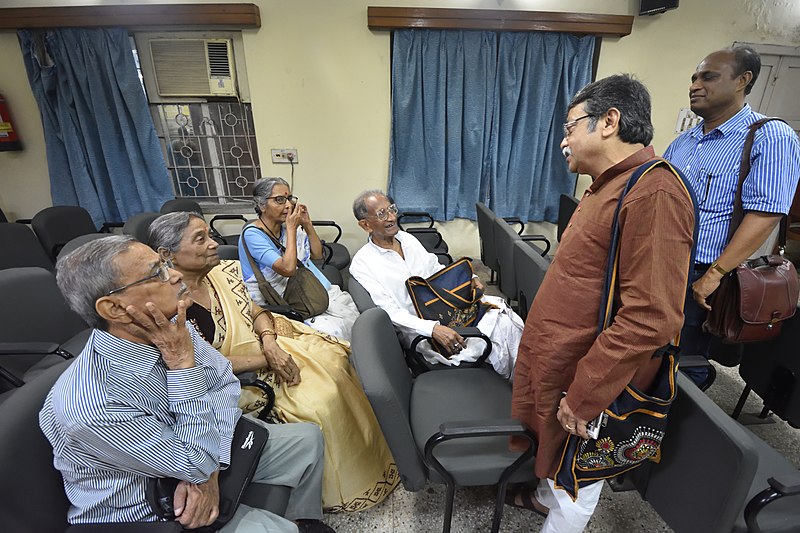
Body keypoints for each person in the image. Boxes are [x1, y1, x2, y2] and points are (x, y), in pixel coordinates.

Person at [42, 235, 335, 532]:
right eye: (157, 273)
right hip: (150, 506)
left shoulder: (169, 328)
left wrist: (210, 471)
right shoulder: (93, 404)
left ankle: (303, 518)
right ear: (114, 309)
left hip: (197, 458)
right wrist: (182, 366)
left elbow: (223, 383)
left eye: (164, 264)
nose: (175, 274)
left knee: (307, 439)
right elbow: (192, 461)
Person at [509, 75, 695, 532]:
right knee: (555, 452)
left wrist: (587, 394)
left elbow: (651, 318)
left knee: (580, 469)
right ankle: (543, 498)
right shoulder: (605, 185)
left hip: (591, 373)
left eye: (570, 127)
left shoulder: (654, 191)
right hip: (562, 357)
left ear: (608, 122)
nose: (563, 141)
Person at [148, 212, 399, 512]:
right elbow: (200, 367)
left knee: (337, 359)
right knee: (321, 401)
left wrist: (269, 341)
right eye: (200, 239)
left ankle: (378, 456)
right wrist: (266, 358)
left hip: (265, 344)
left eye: (209, 235)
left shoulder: (218, 275)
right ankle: (339, 489)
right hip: (233, 380)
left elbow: (256, 312)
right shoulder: (166, 307)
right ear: (167, 254)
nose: (214, 244)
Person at [664, 45, 800, 386]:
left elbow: (766, 214)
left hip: (702, 275)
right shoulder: (684, 142)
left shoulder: (769, 136)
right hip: (662, 266)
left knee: (685, 365)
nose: (695, 84)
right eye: (694, 77)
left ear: (743, 80)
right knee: (655, 353)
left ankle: (680, 433)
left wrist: (714, 274)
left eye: (708, 77)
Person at [349, 191, 522, 379]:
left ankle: (523, 383)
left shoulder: (407, 240)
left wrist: (469, 277)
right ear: (365, 225)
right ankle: (519, 387)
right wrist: (432, 329)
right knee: (503, 332)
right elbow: (389, 311)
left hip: (445, 308)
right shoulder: (363, 263)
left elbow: (436, 270)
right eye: (382, 214)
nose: (392, 217)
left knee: (505, 318)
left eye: (392, 209)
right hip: (422, 329)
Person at [238, 178, 359, 341]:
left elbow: (318, 256)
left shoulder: (284, 228)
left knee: (351, 311)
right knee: (333, 331)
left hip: (309, 289)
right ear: (261, 205)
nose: (288, 205)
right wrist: (291, 228)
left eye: (289, 199)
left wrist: (307, 225)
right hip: (282, 299)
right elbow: (287, 269)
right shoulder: (252, 234)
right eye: (279, 200)